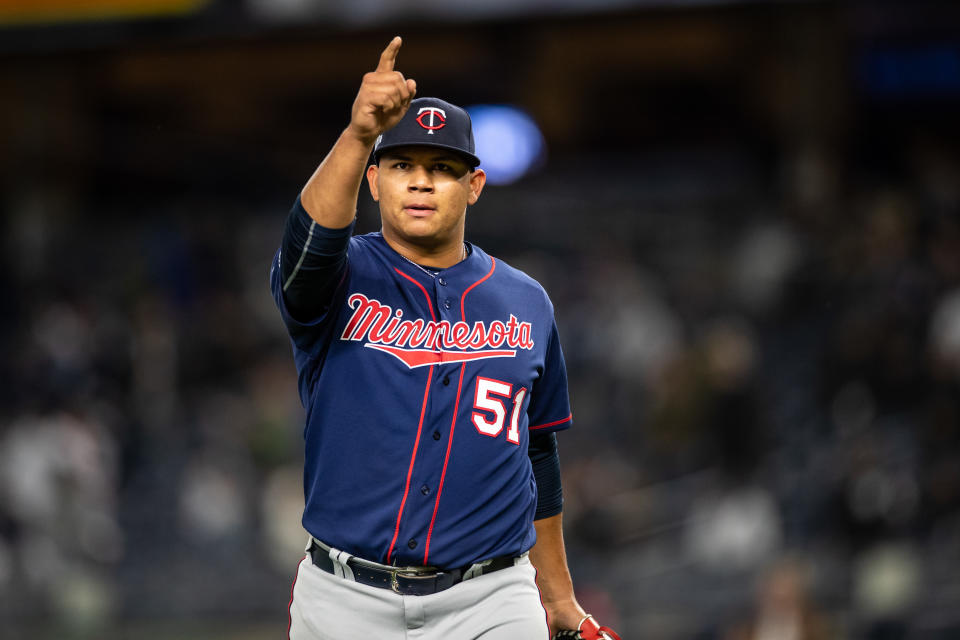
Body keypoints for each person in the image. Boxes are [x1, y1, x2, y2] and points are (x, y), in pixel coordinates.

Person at [270, 36, 619, 640]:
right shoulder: (340, 275)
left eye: (443, 169)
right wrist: (357, 135)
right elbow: (301, 260)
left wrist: (558, 596)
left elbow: (539, 454)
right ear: (373, 181)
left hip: (491, 596)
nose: (422, 183)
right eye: (403, 166)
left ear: (475, 186)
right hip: (345, 598)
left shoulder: (526, 303)